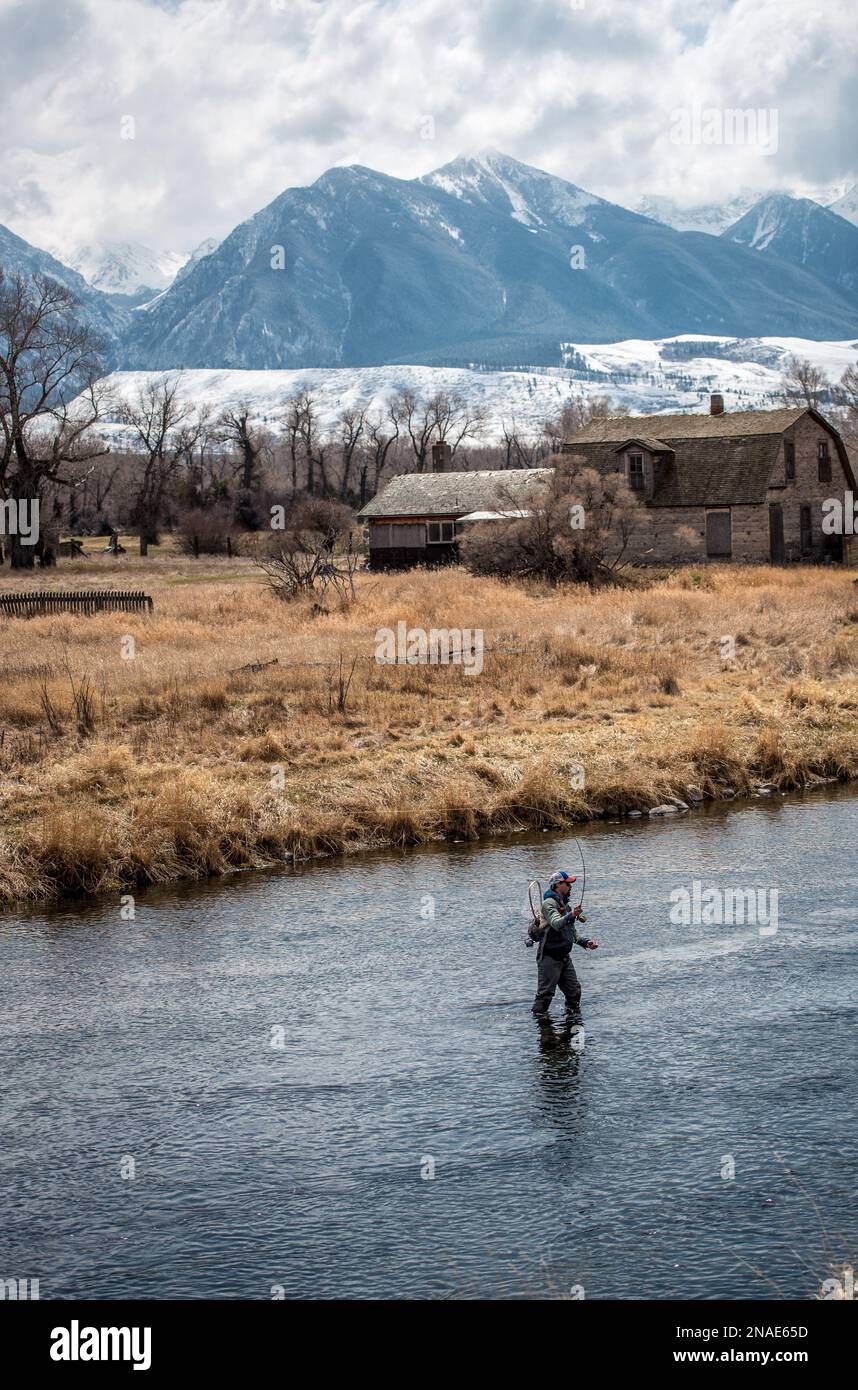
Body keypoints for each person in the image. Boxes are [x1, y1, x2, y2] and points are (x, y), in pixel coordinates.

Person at [531, 870, 598, 1017]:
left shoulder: (565, 907)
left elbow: (572, 933)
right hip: (548, 957)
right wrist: (572, 915)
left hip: (564, 957)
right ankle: (541, 1029)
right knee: (545, 996)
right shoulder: (548, 904)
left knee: (574, 993)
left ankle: (570, 1024)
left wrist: (586, 942)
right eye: (568, 883)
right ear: (558, 885)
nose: (570, 886)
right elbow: (556, 923)